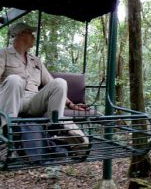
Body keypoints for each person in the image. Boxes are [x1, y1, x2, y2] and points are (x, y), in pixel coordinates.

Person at [0, 22, 89, 157]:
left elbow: (53, 84)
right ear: (22, 34)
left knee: (60, 82)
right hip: (12, 100)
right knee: (14, 79)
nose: (34, 37)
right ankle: (8, 136)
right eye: (31, 34)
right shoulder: (3, 54)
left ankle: (57, 128)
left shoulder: (35, 60)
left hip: (33, 101)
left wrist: (71, 104)